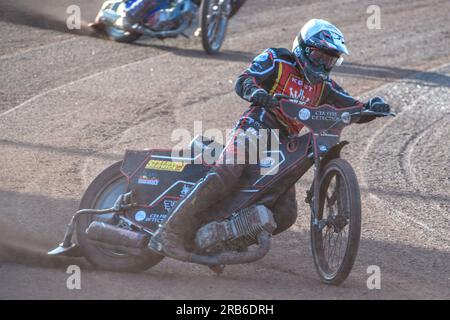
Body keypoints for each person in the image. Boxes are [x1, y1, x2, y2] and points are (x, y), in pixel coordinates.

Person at [149, 18, 390, 260]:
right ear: (303, 48)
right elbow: (244, 79)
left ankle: (223, 239)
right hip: (257, 125)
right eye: (319, 56)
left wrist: (372, 107)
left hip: (284, 145)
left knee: (285, 213)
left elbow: (353, 107)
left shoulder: (325, 86)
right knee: (228, 170)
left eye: (330, 59)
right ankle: (168, 231)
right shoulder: (278, 59)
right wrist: (257, 92)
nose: (323, 63)